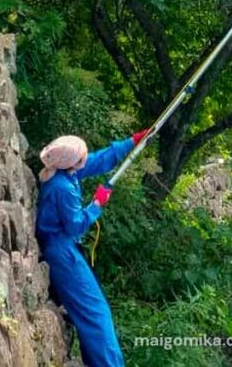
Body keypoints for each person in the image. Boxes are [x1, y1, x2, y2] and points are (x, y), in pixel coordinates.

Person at [35, 129, 149, 367]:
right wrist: (97, 204)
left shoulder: (65, 173)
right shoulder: (62, 188)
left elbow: (99, 160)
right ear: (72, 163)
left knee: (94, 313)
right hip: (62, 253)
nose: (85, 160)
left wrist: (131, 142)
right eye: (81, 157)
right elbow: (76, 226)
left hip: (64, 250)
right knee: (96, 314)